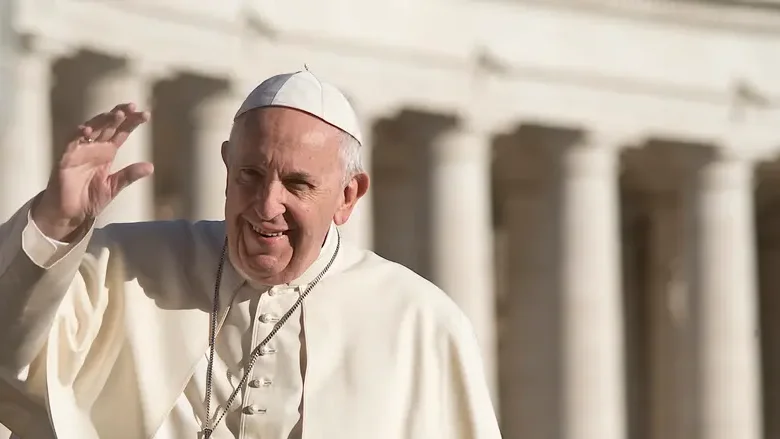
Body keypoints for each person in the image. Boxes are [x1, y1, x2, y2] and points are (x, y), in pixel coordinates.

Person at [0, 70, 502, 439]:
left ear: (348, 196)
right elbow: (9, 355)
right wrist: (56, 225)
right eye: (250, 176)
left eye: (298, 184)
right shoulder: (127, 267)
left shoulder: (421, 321)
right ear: (225, 164)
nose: (267, 206)